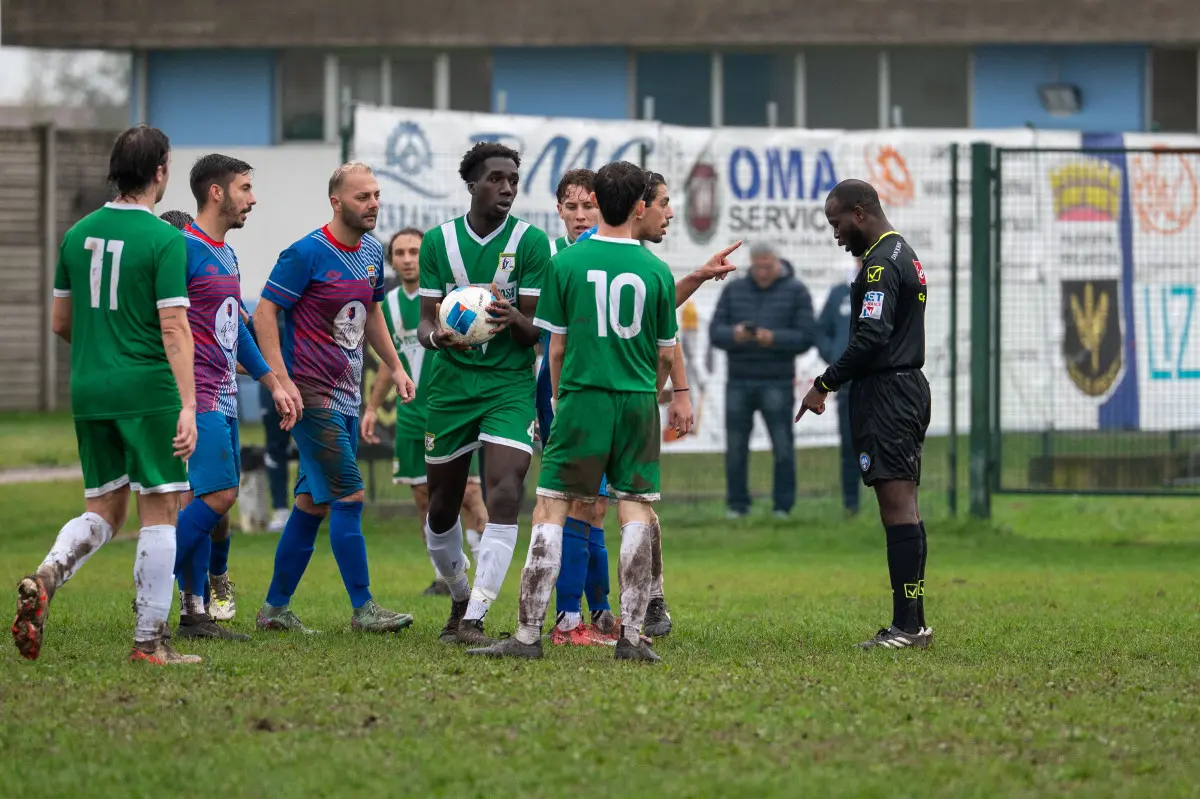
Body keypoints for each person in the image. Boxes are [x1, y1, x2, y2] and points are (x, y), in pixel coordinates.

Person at [466, 160, 678, 662]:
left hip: (581, 398)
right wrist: (655, 392)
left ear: (600, 205)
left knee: (551, 509)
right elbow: (667, 353)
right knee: (634, 512)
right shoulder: (657, 270)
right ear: (641, 206)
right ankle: (630, 637)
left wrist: (559, 401)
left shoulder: (566, 265)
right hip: (636, 401)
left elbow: (554, 348)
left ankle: (526, 637)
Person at [12, 125, 202, 665]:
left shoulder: (77, 235)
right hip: (146, 388)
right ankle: (149, 643)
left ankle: (49, 573)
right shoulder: (165, 239)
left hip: (89, 388)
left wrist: (102, 348)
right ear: (160, 172)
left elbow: (60, 322)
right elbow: (174, 329)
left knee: (105, 508)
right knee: (162, 505)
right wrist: (188, 405)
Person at [253, 161, 417, 634]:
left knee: (312, 503)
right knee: (350, 494)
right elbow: (264, 316)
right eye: (362, 197)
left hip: (345, 395)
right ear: (336, 201)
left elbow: (373, 317)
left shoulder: (369, 251)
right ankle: (364, 608)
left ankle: (274, 610)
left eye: (376, 195)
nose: (373, 205)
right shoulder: (304, 253)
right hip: (309, 392)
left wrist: (397, 366)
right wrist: (280, 382)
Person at [417, 142, 550, 646]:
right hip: (451, 387)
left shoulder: (531, 243)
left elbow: (535, 329)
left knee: (506, 491)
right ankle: (457, 596)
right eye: (496, 179)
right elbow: (427, 323)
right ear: (472, 184)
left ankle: (474, 619)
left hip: (508, 385)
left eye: (513, 180)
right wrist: (438, 338)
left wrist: (515, 318)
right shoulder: (438, 242)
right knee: (443, 507)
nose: (507, 188)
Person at [797, 179, 932, 650]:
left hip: (889, 393)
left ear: (859, 213)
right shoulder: (902, 253)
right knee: (906, 509)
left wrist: (824, 383)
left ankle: (907, 627)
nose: (835, 234)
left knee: (898, 510)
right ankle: (912, 621)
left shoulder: (879, 263)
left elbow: (873, 335)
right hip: (905, 387)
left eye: (836, 223)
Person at [171, 154, 300, 640]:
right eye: (245, 187)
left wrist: (272, 382)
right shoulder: (180, 249)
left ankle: (195, 613)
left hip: (224, 397)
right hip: (195, 396)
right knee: (220, 495)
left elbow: (238, 332)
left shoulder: (226, 254)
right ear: (216, 192)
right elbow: (156, 322)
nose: (253, 197)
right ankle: (152, 579)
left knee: (210, 501)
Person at [361, 226, 489, 595]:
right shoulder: (388, 304)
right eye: (399, 253)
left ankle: (483, 569)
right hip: (413, 412)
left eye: (414, 251)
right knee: (423, 498)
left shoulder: (452, 302)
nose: (406, 259)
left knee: (469, 493)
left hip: (452, 408)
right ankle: (444, 576)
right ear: (391, 260)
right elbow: (391, 361)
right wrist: (371, 408)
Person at [537, 169, 615, 646]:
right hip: (562, 394)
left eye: (590, 206)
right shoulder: (551, 259)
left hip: (606, 392)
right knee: (579, 501)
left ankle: (601, 611)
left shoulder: (618, 256)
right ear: (559, 210)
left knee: (598, 504)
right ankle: (568, 617)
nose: (580, 215)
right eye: (572, 206)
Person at [709, 242, 815, 519]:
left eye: (769, 266)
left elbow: (806, 337)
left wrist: (775, 339)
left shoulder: (796, 291)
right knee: (735, 448)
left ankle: (783, 507)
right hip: (739, 381)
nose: (764, 272)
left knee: (782, 447)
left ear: (777, 263)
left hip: (777, 381)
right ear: (751, 264)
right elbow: (715, 332)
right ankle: (737, 506)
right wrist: (735, 334)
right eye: (759, 267)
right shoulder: (734, 289)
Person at [815, 259, 861, 516]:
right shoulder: (840, 293)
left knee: (887, 447)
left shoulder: (888, 287)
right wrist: (834, 357)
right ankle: (851, 505)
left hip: (880, 383)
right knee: (849, 447)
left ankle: (893, 507)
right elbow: (821, 330)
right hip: (848, 385)